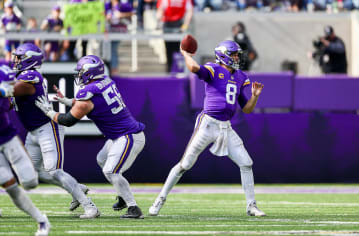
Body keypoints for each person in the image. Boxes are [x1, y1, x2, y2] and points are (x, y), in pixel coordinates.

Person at [149, 40, 266, 217]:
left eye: (237, 54)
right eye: (234, 54)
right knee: (185, 164)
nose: (237, 57)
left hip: (226, 127)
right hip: (208, 123)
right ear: (223, 55)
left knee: (246, 163)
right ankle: (160, 199)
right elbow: (195, 68)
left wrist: (255, 97)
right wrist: (186, 54)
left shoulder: (241, 76)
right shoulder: (213, 68)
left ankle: (251, 205)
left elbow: (247, 109)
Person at [35, 55, 146, 219]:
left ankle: (133, 208)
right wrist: (66, 100)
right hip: (120, 136)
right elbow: (90, 103)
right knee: (102, 160)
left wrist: (48, 111)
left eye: (81, 72)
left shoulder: (88, 93)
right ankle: (122, 196)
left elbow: (68, 120)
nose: (79, 75)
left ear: (89, 73)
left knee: (111, 171)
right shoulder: (105, 82)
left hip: (128, 137)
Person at [10, 43, 99, 219]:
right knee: (33, 172)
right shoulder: (24, 75)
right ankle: (77, 188)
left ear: (29, 59)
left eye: (19, 57)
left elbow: (17, 88)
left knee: (54, 170)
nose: (16, 60)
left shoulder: (31, 75)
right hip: (33, 132)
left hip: (48, 128)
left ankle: (90, 207)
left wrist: (4, 89)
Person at [0, 65, 50, 236]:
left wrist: (5, 90)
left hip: (6, 136)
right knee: (8, 184)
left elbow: (10, 92)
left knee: (30, 182)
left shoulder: (3, 71)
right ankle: (42, 221)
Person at [156, 0, 193, 72]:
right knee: (173, 50)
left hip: (175, 25)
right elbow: (189, 12)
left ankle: (172, 70)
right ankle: (172, 70)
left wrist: (158, 21)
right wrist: (185, 25)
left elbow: (160, 11)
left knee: (173, 50)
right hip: (170, 25)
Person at [106, 0, 134, 75]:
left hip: (119, 31)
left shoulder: (123, 4)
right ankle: (110, 69)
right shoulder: (107, 5)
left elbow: (132, 13)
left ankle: (114, 69)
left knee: (113, 49)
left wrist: (122, 15)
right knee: (108, 50)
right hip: (108, 31)